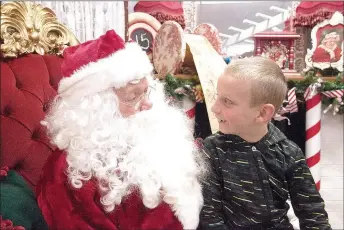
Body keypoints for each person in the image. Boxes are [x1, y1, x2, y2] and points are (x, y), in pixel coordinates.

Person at [36, 30, 206, 230]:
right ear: (96, 110)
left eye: (146, 91)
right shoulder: (68, 170)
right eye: (133, 97)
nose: (148, 105)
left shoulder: (160, 137)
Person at [198, 57, 331, 229]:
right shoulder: (212, 150)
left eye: (227, 101)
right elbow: (210, 216)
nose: (214, 108)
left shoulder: (289, 153)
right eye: (217, 97)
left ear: (263, 113)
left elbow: (313, 212)